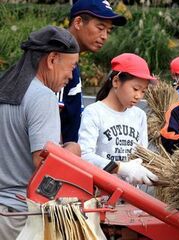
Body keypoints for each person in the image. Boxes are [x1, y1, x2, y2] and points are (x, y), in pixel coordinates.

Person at [0, 26, 80, 239]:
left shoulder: (4, 88)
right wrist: (73, 151)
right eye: (70, 67)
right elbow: (45, 165)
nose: (71, 76)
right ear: (52, 59)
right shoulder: (42, 97)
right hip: (20, 217)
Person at [78, 53, 158, 185]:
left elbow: (143, 156)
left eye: (143, 91)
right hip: (99, 194)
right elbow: (84, 156)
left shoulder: (139, 116)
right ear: (116, 81)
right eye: (136, 88)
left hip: (130, 196)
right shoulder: (94, 112)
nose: (139, 96)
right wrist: (121, 168)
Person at [59, 0, 127, 143]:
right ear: (78, 22)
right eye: (100, 27)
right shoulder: (58, 59)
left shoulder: (70, 59)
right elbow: (48, 122)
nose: (104, 36)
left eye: (108, 31)